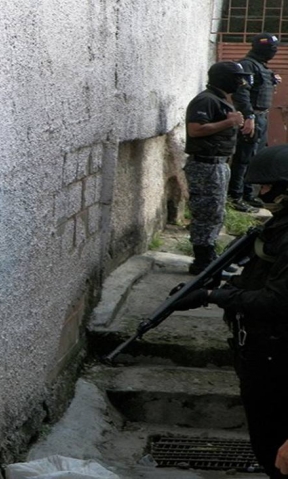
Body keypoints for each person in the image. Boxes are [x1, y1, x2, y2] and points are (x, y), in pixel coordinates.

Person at [172, 144, 288, 478]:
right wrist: (214, 287)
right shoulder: (279, 226)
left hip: (277, 355)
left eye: (267, 186)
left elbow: (276, 300)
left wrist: (214, 295)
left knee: (274, 447)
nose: (261, 193)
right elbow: (258, 278)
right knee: (265, 441)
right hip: (260, 350)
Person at [183, 61, 248, 275]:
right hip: (205, 165)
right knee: (206, 212)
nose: (240, 83)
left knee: (216, 212)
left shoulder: (219, 99)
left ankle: (209, 256)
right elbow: (195, 130)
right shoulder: (206, 100)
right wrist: (229, 123)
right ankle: (202, 261)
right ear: (224, 78)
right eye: (237, 78)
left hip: (218, 164)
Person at [228, 33, 281, 213]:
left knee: (254, 158)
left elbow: (259, 88)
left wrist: (272, 80)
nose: (274, 52)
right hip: (253, 118)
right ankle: (235, 196)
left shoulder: (261, 66)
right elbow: (241, 93)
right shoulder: (247, 65)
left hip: (261, 117)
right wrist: (249, 117)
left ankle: (248, 194)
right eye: (271, 49)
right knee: (244, 158)